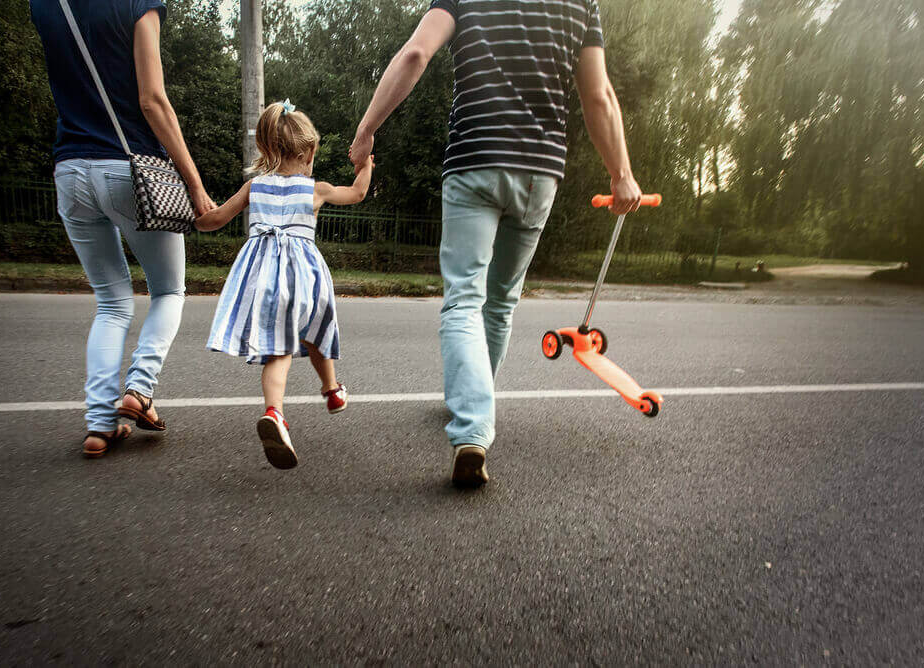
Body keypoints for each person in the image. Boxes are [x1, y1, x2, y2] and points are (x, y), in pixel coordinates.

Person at [349, 0, 643, 486]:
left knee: (464, 298)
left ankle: (472, 428)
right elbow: (599, 95)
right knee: (501, 300)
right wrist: (622, 175)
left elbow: (415, 54)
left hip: (475, 158)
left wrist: (366, 132)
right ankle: (475, 401)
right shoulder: (580, 3)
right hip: (539, 170)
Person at [31, 0, 215, 457]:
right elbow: (152, 100)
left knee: (111, 301)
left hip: (70, 169)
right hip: (129, 168)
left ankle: (99, 425)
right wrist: (195, 185)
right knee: (168, 292)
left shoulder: (44, 5)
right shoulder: (137, 2)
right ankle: (139, 389)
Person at [196, 101, 372, 470]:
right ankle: (326, 393)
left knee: (280, 349)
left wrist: (195, 217)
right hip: (305, 278)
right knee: (315, 330)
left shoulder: (254, 186)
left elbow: (215, 219)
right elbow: (357, 193)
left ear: (266, 147)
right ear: (308, 152)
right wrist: (365, 166)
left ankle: (284, 408)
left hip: (263, 280)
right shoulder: (316, 189)